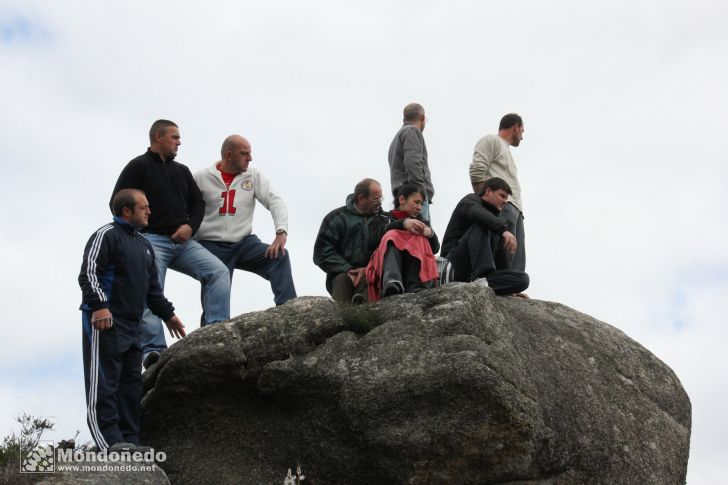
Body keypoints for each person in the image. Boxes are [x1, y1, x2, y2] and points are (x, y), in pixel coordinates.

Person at [110, 119, 230, 368]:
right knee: (150, 289)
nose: (179, 142)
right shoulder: (137, 167)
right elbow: (117, 202)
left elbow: (198, 204)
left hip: (184, 242)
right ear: (158, 137)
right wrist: (135, 234)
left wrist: (190, 227)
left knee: (218, 271)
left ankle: (215, 334)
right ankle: (153, 351)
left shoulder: (182, 171)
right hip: (150, 240)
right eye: (174, 137)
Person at [79, 189, 186, 452]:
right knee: (104, 382)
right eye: (144, 207)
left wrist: (169, 315)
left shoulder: (144, 245)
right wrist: (100, 307)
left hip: (132, 324)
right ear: (127, 211)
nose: (149, 211)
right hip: (105, 321)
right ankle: (110, 442)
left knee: (131, 384)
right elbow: (89, 274)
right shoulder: (106, 235)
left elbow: (152, 291)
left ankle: (130, 439)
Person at [193, 135, 296, 309]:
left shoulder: (253, 176)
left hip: (244, 243)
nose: (250, 158)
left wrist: (281, 233)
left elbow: (275, 201)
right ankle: (214, 331)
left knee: (279, 257)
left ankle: (289, 311)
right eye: (244, 154)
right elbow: (185, 208)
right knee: (215, 295)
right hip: (211, 245)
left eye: (250, 153)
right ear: (229, 155)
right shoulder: (200, 178)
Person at [441, 177, 529, 296]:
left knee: (523, 279)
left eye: (506, 198)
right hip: (454, 265)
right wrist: (503, 230)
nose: (504, 201)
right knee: (483, 225)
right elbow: (477, 214)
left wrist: (511, 289)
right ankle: (481, 276)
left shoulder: (496, 222)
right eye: (502, 196)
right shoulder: (470, 200)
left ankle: (484, 282)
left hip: (475, 278)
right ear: (488, 191)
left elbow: (500, 258)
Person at [313, 178, 390, 304]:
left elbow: (388, 252)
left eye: (381, 198)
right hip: (341, 274)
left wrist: (368, 269)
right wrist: (347, 269)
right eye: (376, 199)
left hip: (372, 274)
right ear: (361, 198)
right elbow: (321, 252)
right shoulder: (336, 218)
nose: (380, 203)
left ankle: (363, 315)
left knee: (368, 281)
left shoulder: (384, 221)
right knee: (341, 280)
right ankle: (340, 319)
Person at [469, 113, 527, 271]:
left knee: (516, 262)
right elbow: (477, 171)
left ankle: (513, 289)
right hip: (503, 207)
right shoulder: (491, 140)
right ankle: (501, 288)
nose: (522, 137)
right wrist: (486, 203)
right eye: (522, 130)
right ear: (515, 127)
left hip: (515, 210)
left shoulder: (506, 150)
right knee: (504, 256)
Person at [366, 183, 440, 300]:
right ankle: (392, 282)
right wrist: (404, 223)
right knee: (392, 235)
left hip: (414, 274)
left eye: (421, 203)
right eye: (416, 202)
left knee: (420, 238)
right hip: (385, 267)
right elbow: (373, 238)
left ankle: (417, 285)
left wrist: (430, 234)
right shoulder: (383, 218)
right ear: (402, 200)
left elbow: (435, 249)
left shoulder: (422, 223)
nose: (419, 207)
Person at [388, 103, 435, 221]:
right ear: (422, 118)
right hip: (413, 194)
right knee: (420, 235)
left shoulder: (397, 137)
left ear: (404, 119)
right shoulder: (412, 131)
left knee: (405, 235)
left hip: (402, 195)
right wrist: (420, 194)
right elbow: (412, 163)